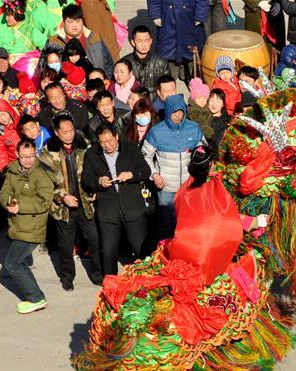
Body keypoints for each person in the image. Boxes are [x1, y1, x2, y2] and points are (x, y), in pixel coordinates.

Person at [39, 113, 103, 289]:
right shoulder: (48, 152)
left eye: (71, 130)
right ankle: (67, 277)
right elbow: (44, 183)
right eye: (64, 132)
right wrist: (62, 196)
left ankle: (98, 274)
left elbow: (95, 170)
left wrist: (95, 189)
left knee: (95, 240)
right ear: (57, 133)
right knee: (66, 247)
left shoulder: (85, 146)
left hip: (85, 204)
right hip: (63, 209)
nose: (69, 135)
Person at [81, 124, 152, 276]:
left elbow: (146, 171)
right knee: (108, 251)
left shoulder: (130, 148)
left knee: (140, 247)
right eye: (103, 142)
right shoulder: (92, 154)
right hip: (108, 210)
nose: (108, 145)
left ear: (117, 137)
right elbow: (86, 180)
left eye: (110, 141)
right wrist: (98, 181)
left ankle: (146, 280)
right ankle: (111, 283)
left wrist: (131, 175)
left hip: (132, 207)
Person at [0, 139, 55, 313]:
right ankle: (37, 297)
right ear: (17, 155)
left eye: (32, 156)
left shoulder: (41, 173)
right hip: (17, 225)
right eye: (25, 156)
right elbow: (4, 191)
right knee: (18, 262)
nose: (29, 160)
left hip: (33, 227)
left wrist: (20, 206)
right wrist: (8, 203)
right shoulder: (13, 170)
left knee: (12, 264)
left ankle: (36, 298)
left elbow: (45, 202)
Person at [141, 94, 206, 238]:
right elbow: (145, 156)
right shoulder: (156, 132)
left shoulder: (194, 129)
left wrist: (200, 173)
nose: (177, 116)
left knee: (190, 223)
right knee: (167, 225)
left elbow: (203, 151)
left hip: (189, 186)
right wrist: (154, 175)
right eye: (174, 112)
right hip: (166, 188)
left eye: (180, 111)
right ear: (168, 111)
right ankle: (165, 256)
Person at [147, 0, 207, 81]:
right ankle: (170, 68)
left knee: (189, 46)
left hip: (189, 15)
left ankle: (187, 68)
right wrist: (155, 15)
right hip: (167, 16)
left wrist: (200, 15)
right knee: (167, 46)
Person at [58, 4, 114, 77]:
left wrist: (105, 81)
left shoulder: (95, 38)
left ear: (83, 22)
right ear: (63, 22)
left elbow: (109, 64)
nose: (74, 25)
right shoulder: (54, 42)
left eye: (78, 21)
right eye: (70, 22)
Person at [127, 25, 169, 94]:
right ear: (133, 42)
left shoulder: (161, 62)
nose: (144, 45)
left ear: (151, 41)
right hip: (133, 101)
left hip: (155, 101)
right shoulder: (125, 63)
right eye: (139, 41)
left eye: (146, 41)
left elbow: (167, 87)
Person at [0, 98, 19, 173]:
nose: (2, 118)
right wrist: (5, 171)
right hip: (14, 167)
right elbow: (1, 154)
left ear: (10, 112)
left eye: (4, 114)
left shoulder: (20, 124)